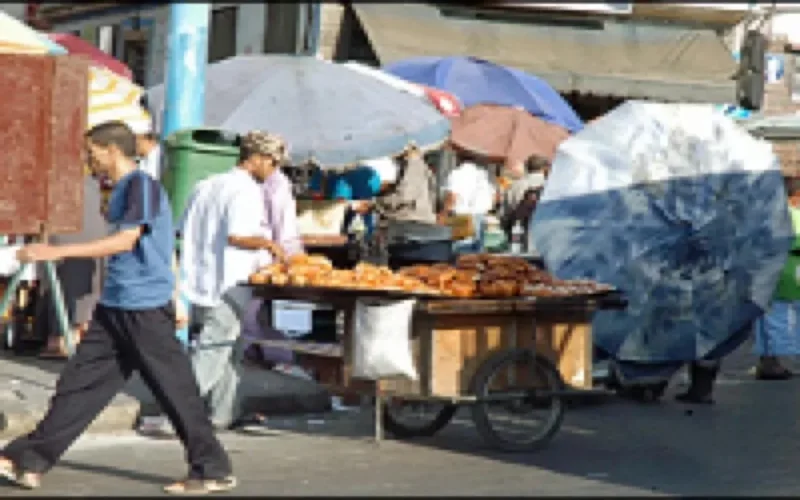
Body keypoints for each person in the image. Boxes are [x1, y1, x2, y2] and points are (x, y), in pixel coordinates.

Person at [0, 121, 235, 495]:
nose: (89, 160)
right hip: (115, 306)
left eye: (92, 153)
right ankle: (29, 460)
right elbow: (162, 247)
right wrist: (177, 293)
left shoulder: (141, 186)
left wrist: (57, 251)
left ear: (111, 150)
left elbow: (128, 241)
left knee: (174, 390)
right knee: (79, 385)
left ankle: (211, 468)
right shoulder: (124, 189)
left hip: (143, 308)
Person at [180, 131, 294, 430]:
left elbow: (186, 229)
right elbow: (237, 235)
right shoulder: (245, 191)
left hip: (201, 279)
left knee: (230, 350)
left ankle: (223, 412)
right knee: (213, 350)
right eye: (272, 163)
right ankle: (177, 413)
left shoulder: (206, 185)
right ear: (255, 159)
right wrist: (269, 245)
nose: (273, 171)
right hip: (229, 283)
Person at [36, 167, 108, 359]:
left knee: (63, 278)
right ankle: (75, 331)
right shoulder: (92, 186)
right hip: (89, 246)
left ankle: (63, 335)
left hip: (68, 243)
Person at [751, 176, 800, 380]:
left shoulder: (764, 214)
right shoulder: (793, 215)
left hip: (764, 274)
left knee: (765, 319)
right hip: (788, 274)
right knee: (784, 318)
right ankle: (780, 361)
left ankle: (768, 361)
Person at [439, 151, 497, 253]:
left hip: (461, 217)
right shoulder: (483, 174)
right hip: (481, 218)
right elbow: (494, 198)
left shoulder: (456, 174)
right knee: (477, 257)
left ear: (459, 157)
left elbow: (452, 197)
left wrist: (443, 214)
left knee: (461, 254)